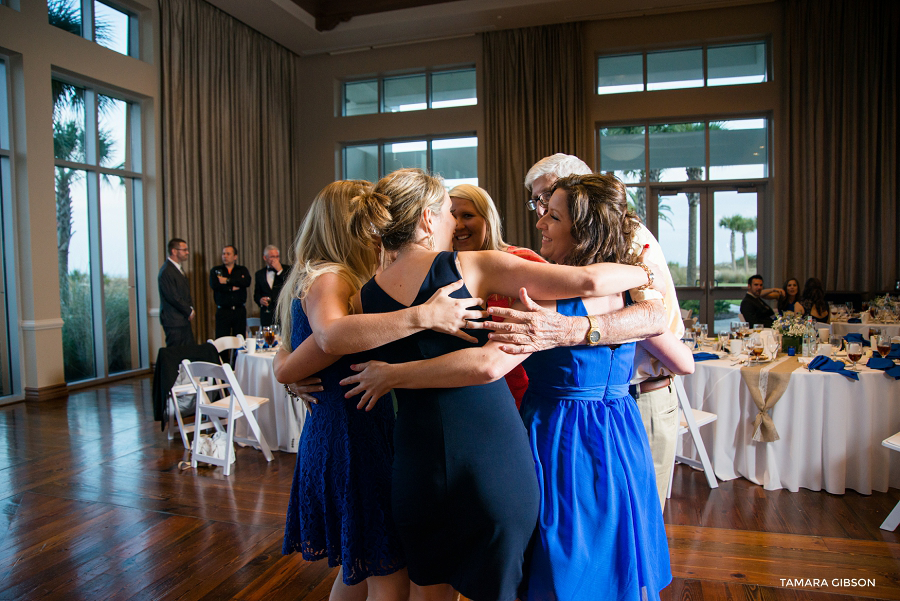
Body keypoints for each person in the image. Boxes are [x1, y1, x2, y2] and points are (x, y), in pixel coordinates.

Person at [341, 173, 672, 601]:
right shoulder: (489, 267)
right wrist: (645, 272)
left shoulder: (369, 292)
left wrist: (390, 375)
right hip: (572, 437)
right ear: (427, 219)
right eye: (448, 212)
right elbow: (659, 335)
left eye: (550, 215)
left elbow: (328, 344)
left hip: (490, 440)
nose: (455, 225)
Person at [276, 180, 486, 601]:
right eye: (375, 223)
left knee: (363, 571)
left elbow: (296, 351)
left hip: (352, 434)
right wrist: (423, 316)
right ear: (352, 227)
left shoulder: (339, 277)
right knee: (388, 578)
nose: (383, 234)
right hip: (355, 440)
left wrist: (286, 368)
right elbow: (330, 338)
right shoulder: (332, 278)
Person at [499, 153, 693, 510]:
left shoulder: (631, 241)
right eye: (538, 202)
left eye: (547, 203)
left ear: (585, 209)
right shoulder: (564, 269)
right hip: (596, 411)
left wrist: (572, 329)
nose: (538, 215)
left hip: (637, 398)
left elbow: (653, 320)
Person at [449, 183, 546, 406]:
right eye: (452, 216)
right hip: (463, 396)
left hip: (525, 397)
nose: (459, 225)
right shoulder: (442, 273)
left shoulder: (521, 260)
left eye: (468, 215)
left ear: (487, 219)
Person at [158, 237, 195, 347]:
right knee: (175, 354)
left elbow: (184, 293)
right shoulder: (166, 271)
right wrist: (189, 311)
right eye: (184, 250)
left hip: (181, 319)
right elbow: (173, 297)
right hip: (174, 321)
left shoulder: (177, 268)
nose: (187, 252)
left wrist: (190, 309)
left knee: (186, 352)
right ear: (174, 251)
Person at [209, 245, 251, 339]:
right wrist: (231, 288)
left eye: (228, 254)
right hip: (223, 310)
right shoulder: (216, 270)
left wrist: (227, 281)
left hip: (239, 310)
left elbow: (246, 282)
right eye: (223, 254)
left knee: (240, 339)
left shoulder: (242, 270)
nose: (225, 256)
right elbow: (215, 285)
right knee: (222, 339)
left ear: (235, 256)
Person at [253, 244, 290, 327]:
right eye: (272, 257)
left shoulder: (287, 269)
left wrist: (279, 271)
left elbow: (290, 285)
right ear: (265, 258)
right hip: (267, 314)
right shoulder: (259, 274)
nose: (275, 260)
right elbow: (256, 294)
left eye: (277, 257)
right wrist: (260, 300)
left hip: (282, 313)